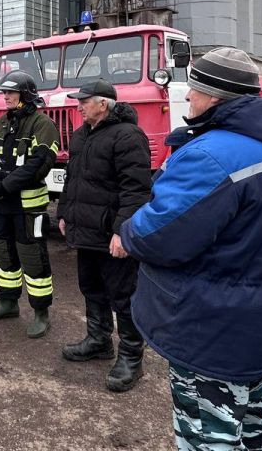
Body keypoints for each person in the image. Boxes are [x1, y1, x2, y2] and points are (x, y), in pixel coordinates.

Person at [120, 47, 262, 449]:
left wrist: (128, 230)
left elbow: (161, 235)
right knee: (253, 422)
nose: (188, 95)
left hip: (209, 326)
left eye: (195, 88)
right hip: (255, 315)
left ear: (215, 97)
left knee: (208, 434)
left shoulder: (211, 156)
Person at [57, 78, 151, 392]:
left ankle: (131, 357)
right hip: (86, 231)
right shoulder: (82, 134)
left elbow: (136, 191)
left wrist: (122, 232)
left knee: (123, 296)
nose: (78, 106)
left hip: (111, 234)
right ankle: (99, 341)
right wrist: (64, 213)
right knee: (91, 287)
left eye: (84, 101)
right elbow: (72, 179)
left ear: (103, 104)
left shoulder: (128, 136)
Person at [0, 70, 59, 338]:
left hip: (28, 206)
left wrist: (5, 185)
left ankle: (41, 313)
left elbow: (39, 164)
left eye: (10, 92)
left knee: (33, 258)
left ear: (25, 94)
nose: (6, 97)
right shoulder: (2, 122)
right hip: (3, 205)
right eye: (4, 92)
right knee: (4, 253)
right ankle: (8, 302)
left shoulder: (43, 124)